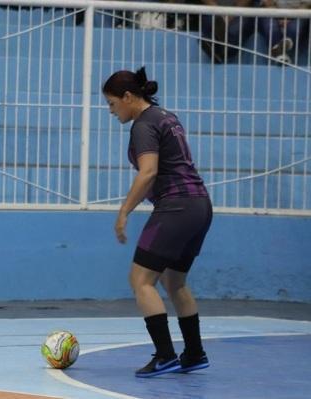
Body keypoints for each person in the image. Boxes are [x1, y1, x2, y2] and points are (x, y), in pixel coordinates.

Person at [102, 67, 213, 378]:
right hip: (200, 205)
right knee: (174, 282)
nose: (112, 111)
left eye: (112, 104)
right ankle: (194, 353)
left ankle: (165, 356)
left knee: (140, 281)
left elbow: (148, 172)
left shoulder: (143, 124)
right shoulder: (166, 116)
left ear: (128, 97)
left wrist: (124, 211)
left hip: (176, 207)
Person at [259, 0, 311, 65]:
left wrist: (289, 17)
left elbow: (306, 6)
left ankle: (279, 51)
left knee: (294, 29)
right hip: (273, 12)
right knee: (272, 28)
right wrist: (279, 17)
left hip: (298, 14)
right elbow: (268, 4)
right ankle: (281, 54)